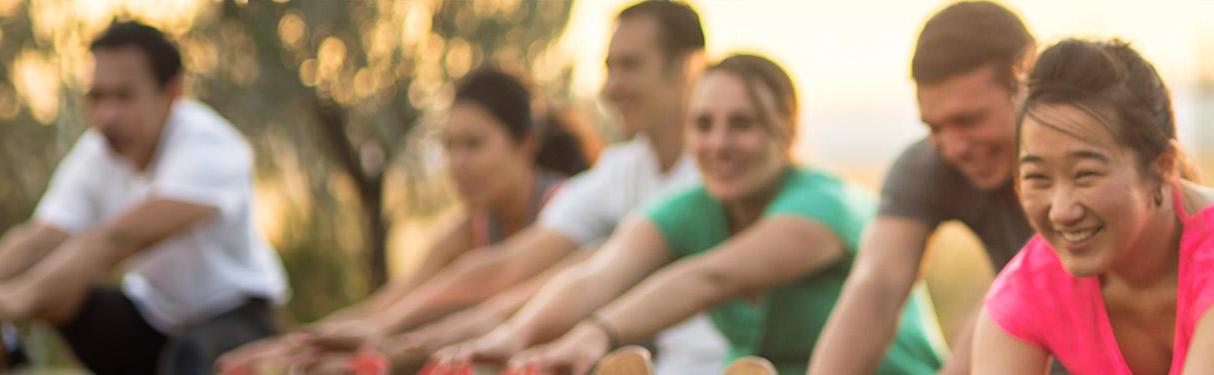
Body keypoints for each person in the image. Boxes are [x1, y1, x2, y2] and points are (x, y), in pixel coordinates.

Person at [282, 1, 730, 373]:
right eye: (608, 68)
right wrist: (367, 329)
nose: (611, 87)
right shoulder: (624, 169)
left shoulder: (721, 175)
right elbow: (502, 268)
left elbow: (556, 283)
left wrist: (396, 341)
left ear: (689, 68)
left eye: (630, 66)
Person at [431, 54, 944, 375]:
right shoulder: (693, 207)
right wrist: (511, 339)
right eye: (704, 124)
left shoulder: (824, 205)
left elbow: (711, 277)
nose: (718, 144)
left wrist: (595, 334)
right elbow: (599, 274)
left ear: (786, 130)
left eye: (741, 124)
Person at [971, 39, 1214, 374]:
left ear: (1161, 167)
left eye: (1085, 174)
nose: (1061, 210)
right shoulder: (1028, 288)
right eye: (1038, 178)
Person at [214, 68, 589, 373]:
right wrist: (291, 346)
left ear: (525, 144)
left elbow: (500, 291)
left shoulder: (567, 209)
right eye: (449, 147)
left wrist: (385, 345)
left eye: (474, 145)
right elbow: (395, 299)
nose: (457, 164)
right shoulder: (470, 227)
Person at [0, 21, 289, 375]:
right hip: (154, 316)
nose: (107, 115)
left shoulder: (210, 145)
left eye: (124, 96)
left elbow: (119, 239)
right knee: (63, 298)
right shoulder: (98, 152)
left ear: (171, 94)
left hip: (234, 316)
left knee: (195, 357)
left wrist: (16, 300)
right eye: (97, 97)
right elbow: (41, 238)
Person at [811, 2, 1036, 373]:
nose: (954, 147)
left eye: (969, 119)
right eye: (935, 127)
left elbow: (1016, 296)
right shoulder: (929, 166)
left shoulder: (1092, 166)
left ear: (1027, 85)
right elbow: (876, 288)